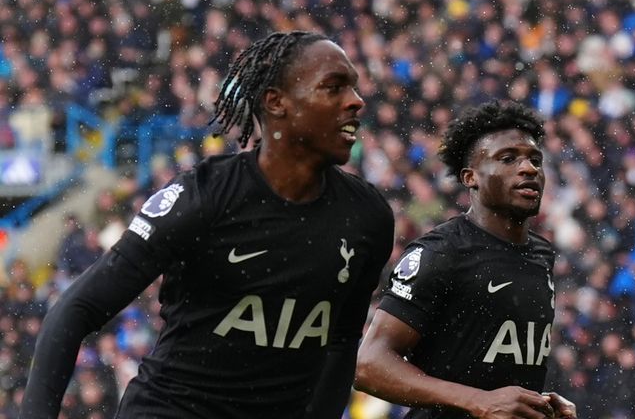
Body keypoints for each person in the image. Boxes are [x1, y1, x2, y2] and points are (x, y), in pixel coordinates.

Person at [21, 30, 394, 419]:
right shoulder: (203, 198)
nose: (356, 101)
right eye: (333, 88)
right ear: (277, 102)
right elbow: (77, 308)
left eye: (353, 87)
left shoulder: (368, 218)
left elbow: (341, 342)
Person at [354, 100, 577, 419]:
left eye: (535, 159)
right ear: (471, 177)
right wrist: (479, 402)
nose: (528, 168)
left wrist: (541, 405)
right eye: (508, 158)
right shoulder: (441, 252)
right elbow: (370, 365)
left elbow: (492, 371)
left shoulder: (542, 254)